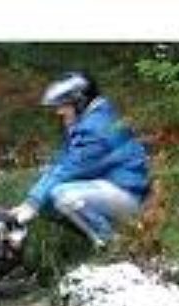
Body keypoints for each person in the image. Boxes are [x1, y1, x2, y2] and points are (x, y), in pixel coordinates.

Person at [9, 71, 150, 247]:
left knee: (63, 196)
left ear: (80, 102)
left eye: (63, 106)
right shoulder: (89, 120)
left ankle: (113, 243)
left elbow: (69, 168)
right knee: (47, 199)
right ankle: (99, 236)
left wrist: (32, 203)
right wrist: (31, 203)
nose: (59, 112)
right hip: (111, 189)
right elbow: (63, 163)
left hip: (130, 196)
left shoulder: (95, 129)